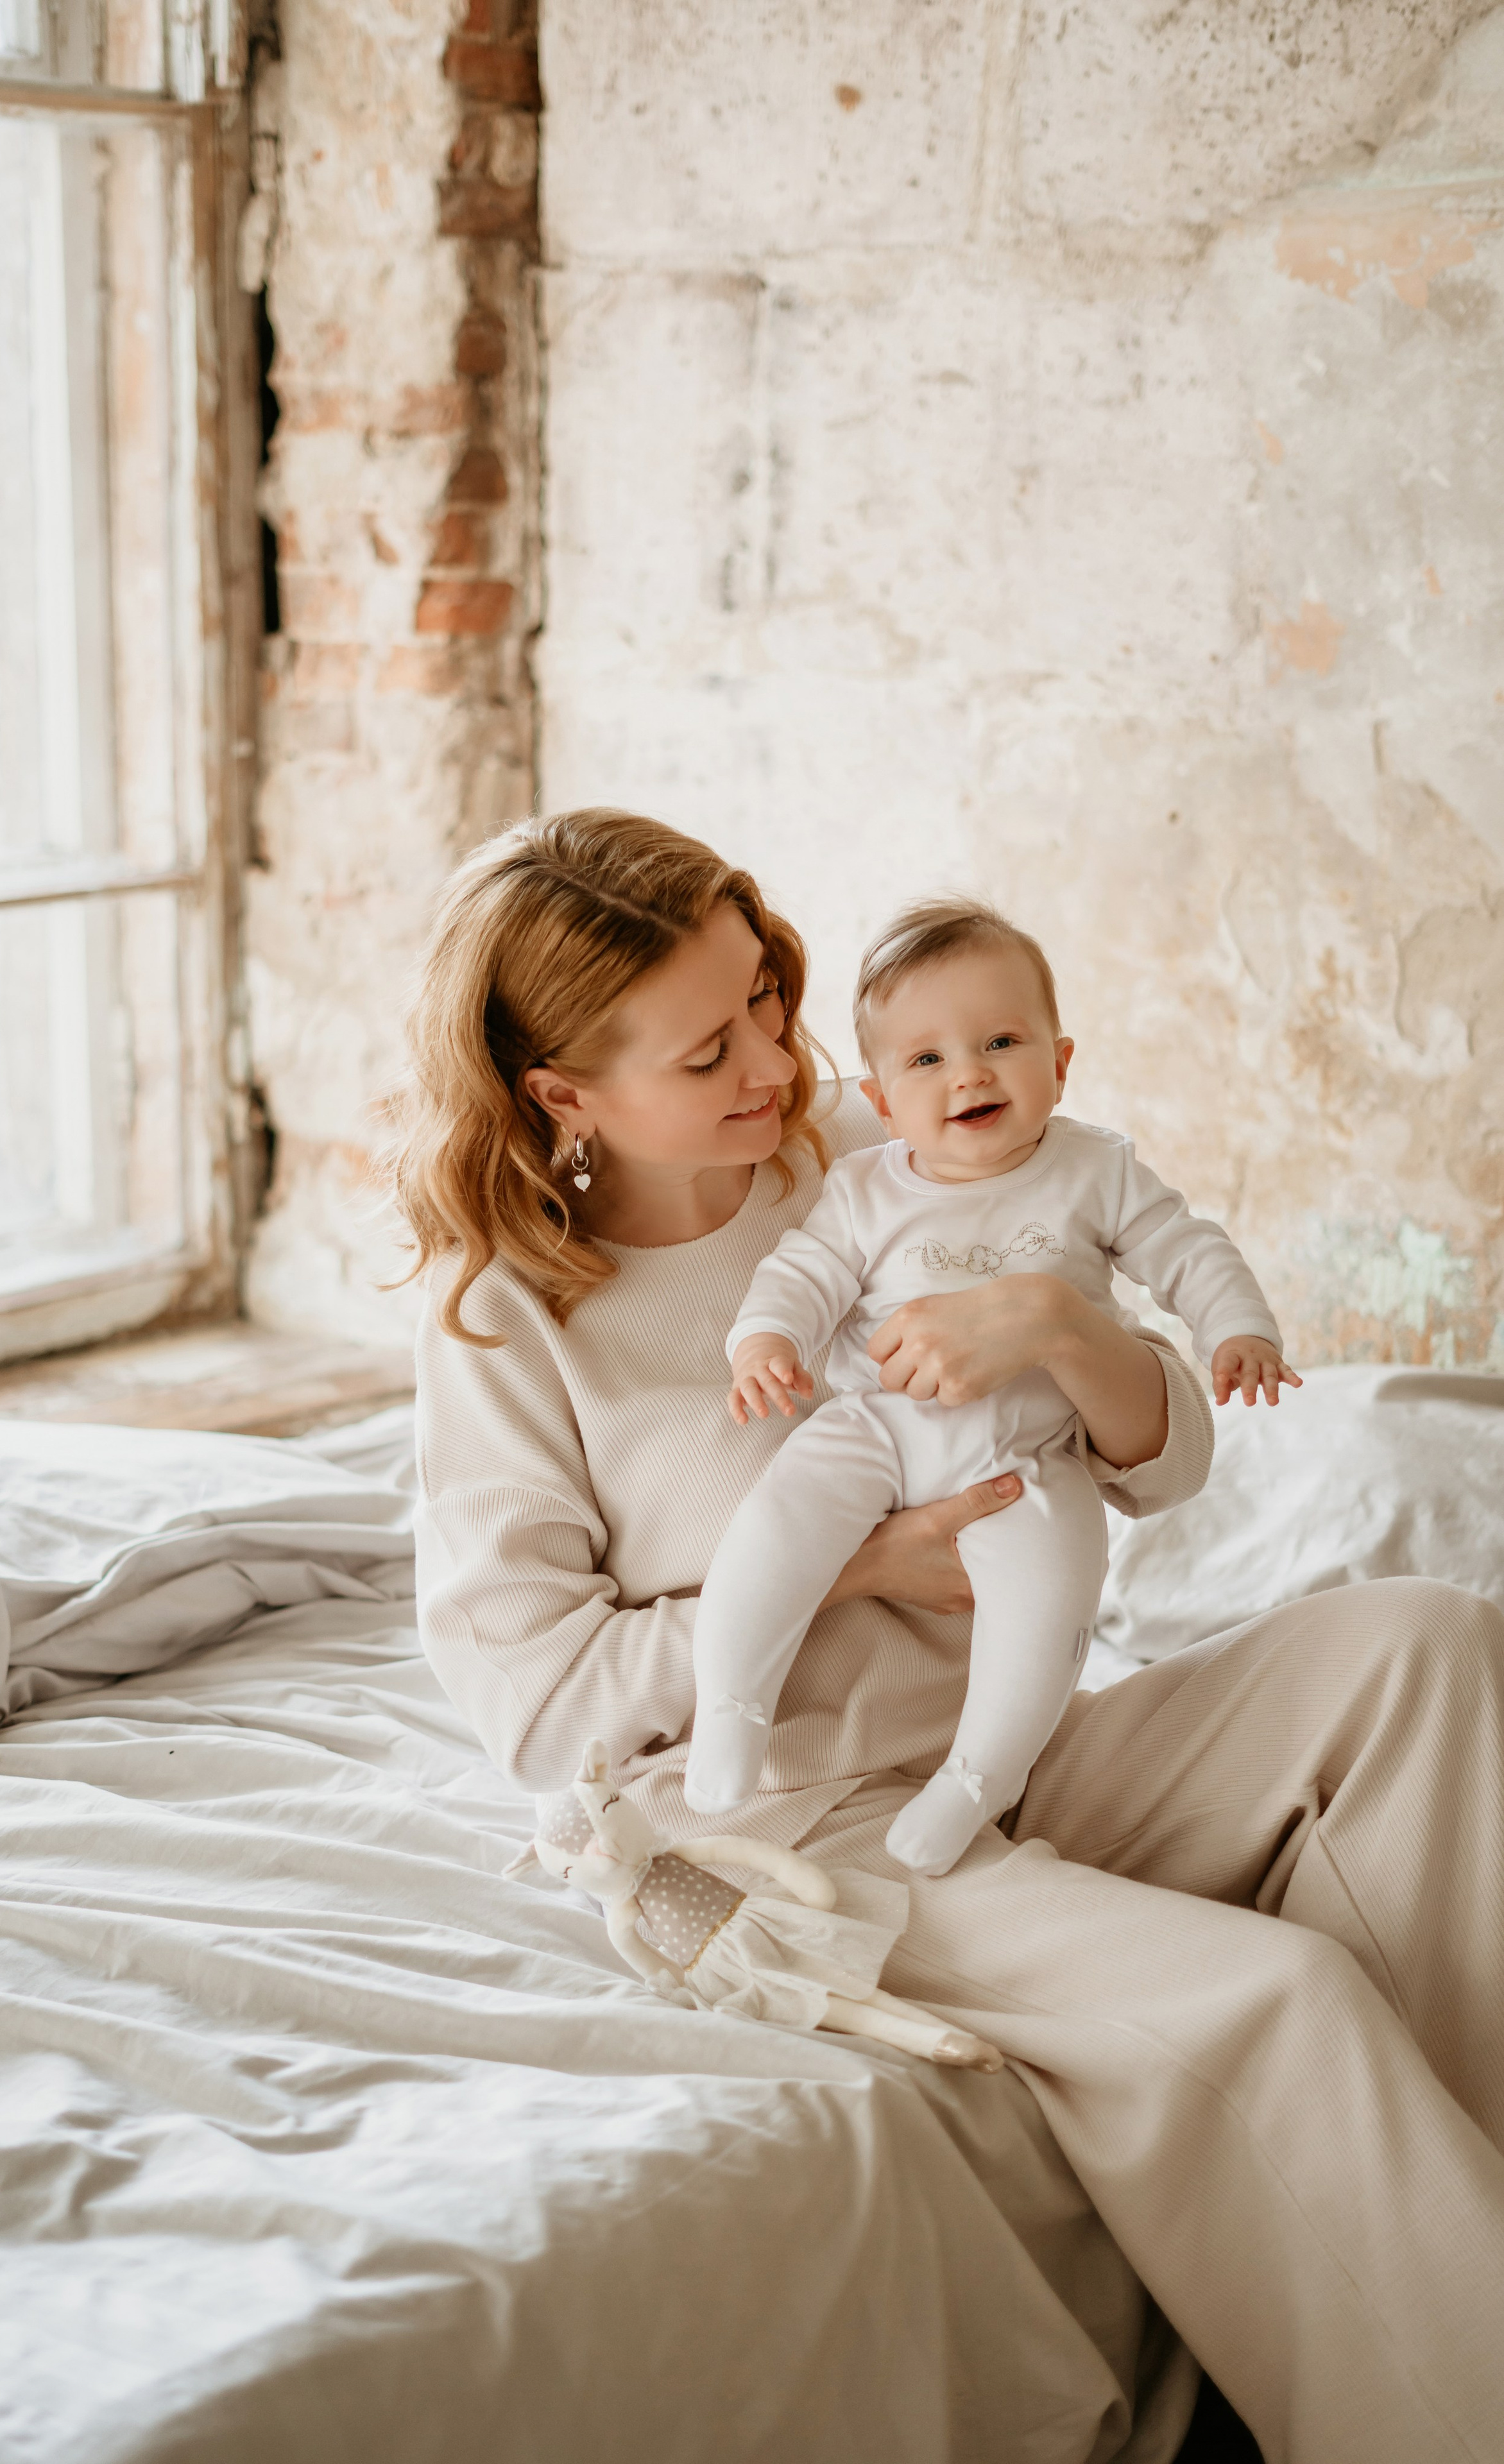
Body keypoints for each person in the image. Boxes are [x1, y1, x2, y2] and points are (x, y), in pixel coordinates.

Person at [400, 807, 1504, 2464]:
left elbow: (1172, 1466)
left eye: (769, 1002)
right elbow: (540, 1705)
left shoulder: (871, 1146)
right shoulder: (508, 1316)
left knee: (1426, 1647)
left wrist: (1058, 1322)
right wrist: (863, 1565)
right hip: (807, 1833)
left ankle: (1445, 2246)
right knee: (1280, 1999)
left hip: (1025, 1742)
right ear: (566, 1093)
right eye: (713, 1049)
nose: (778, 1060)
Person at [685, 894, 1297, 1871]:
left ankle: (976, 1782)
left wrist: (1239, 1329)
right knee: (776, 1529)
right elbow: (803, 1274)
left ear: (1060, 1062)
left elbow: (1186, 1249)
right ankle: (732, 1707)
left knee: (1049, 1608)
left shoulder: (1096, 1169)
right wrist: (764, 1342)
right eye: (925, 1059)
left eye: (1001, 1041)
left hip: (1033, 1458)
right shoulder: (864, 1186)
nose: (968, 1072)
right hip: (880, 1427)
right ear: (882, 1103)